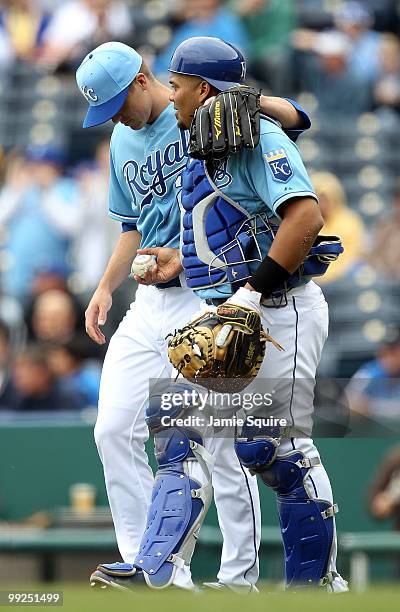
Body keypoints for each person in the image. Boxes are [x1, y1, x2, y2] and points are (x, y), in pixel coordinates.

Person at [75, 40, 311, 591]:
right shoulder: (121, 140)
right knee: (113, 427)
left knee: (220, 444)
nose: (116, 118)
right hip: (149, 298)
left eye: (117, 104)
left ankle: (238, 576)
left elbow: (295, 120)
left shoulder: (199, 113)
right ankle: (149, 565)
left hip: (207, 292)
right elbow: (130, 226)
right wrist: (105, 288)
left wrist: (183, 255)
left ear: (141, 80)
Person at [134, 36, 349, 591]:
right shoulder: (206, 133)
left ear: (202, 88)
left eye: (177, 85)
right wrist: (176, 261)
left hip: (279, 310)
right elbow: (231, 227)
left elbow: (306, 219)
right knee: (179, 432)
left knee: (272, 449)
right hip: (227, 312)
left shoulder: (254, 132)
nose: (171, 94)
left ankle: (316, 588)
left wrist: (250, 295)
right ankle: (156, 575)